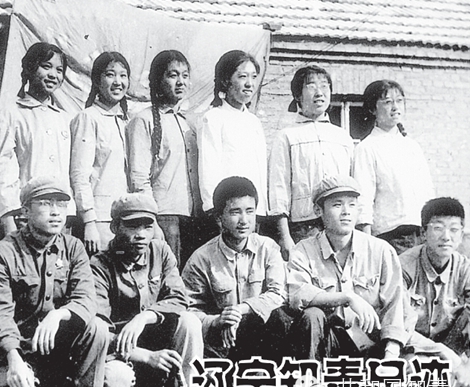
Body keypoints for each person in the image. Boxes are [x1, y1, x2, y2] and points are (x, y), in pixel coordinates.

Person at [0, 176, 122, 387]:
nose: (56, 212)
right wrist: (14, 358)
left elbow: (86, 299)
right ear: (25, 211)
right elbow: (0, 312)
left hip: (61, 351)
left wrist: (58, 314)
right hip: (21, 350)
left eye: (61, 204)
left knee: (97, 326)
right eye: (46, 204)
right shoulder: (2, 253)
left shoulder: (74, 247)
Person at [90, 193, 203, 387]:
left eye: (148, 226)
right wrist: (146, 356)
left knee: (190, 321)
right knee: (114, 381)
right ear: (114, 227)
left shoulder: (160, 251)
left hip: (158, 340)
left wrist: (144, 317)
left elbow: (179, 298)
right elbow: (98, 331)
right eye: (132, 226)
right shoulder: (99, 265)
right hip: (123, 352)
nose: (141, 234)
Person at [287, 175, 410, 362]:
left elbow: (395, 307)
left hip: (371, 346)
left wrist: (390, 356)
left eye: (352, 205)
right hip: (324, 345)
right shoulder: (303, 250)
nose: (346, 212)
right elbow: (298, 294)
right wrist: (347, 297)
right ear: (318, 210)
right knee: (312, 315)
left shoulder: (381, 250)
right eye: (337, 205)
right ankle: (309, 378)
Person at [182, 177, 289, 362]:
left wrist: (240, 310)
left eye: (250, 211)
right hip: (222, 340)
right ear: (219, 218)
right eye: (235, 212)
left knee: (279, 316)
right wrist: (217, 321)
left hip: (261, 337)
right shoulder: (200, 259)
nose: (244, 220)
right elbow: (188, 309)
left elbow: (279, 293)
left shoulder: (268, 248)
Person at [268, 65, 354, 260]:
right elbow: (278, 188)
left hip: (340, 224)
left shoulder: (342, 137)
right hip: (303, 226)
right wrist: (285, 236)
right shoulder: (286, 136)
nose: (319, 92)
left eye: (324, 86)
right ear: (298, 95)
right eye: (311, 86)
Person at [126, 50, 200, 267]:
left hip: (194, 216)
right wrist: (152, 221)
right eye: (173, 75)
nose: (180, 82)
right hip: (165, 216)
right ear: (158, 80)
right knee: (167, 274)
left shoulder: (190, 122)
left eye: (185, 76)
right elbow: (139, 176)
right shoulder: (143, 120)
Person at [0, 42, 74, 235]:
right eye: (46, 67)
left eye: (59, 70)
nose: (53, 75)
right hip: (27, 216)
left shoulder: (66, 119)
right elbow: (4, 170)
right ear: (30, 68)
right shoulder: (12, 115)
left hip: (63, 217)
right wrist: (9, 219)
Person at [353, 79, 434, 254]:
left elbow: (427, 192)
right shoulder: (367, 148)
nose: (395, 107)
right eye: (388, 102)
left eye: (399, 101)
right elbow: (363, 199)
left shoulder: (412, 146)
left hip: (422, 233)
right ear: (372, 109)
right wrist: (367, 244)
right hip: (391, 236)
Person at [197, 51, 269, 240]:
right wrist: (214, 211)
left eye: (254, 77)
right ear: (225, 81)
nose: (249, 84)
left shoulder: (254, 122)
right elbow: (208, 168)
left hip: (252, 213)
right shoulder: (213, 118)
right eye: (242, 76)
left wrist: (261, 211)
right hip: (227, 212)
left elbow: (261, 171)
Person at [401, 197, 469, 387]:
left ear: (461, 234)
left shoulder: (466, 269)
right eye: (438, 228)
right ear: (423, 233)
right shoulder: (403, 267)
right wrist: (444, 354)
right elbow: (399, 325)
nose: (446, 237)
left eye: (454, 229)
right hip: (414, 350)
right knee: (414, 374)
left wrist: (468, 366)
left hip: (455, 352)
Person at [70, 52, 131, 255]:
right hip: (100, 220)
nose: (118, 82)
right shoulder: (88, 118)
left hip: (125, 217)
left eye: (123, 75)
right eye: (110, 75)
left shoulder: (127, 122)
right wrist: (89, 222)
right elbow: (79, 175)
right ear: (97, 80)